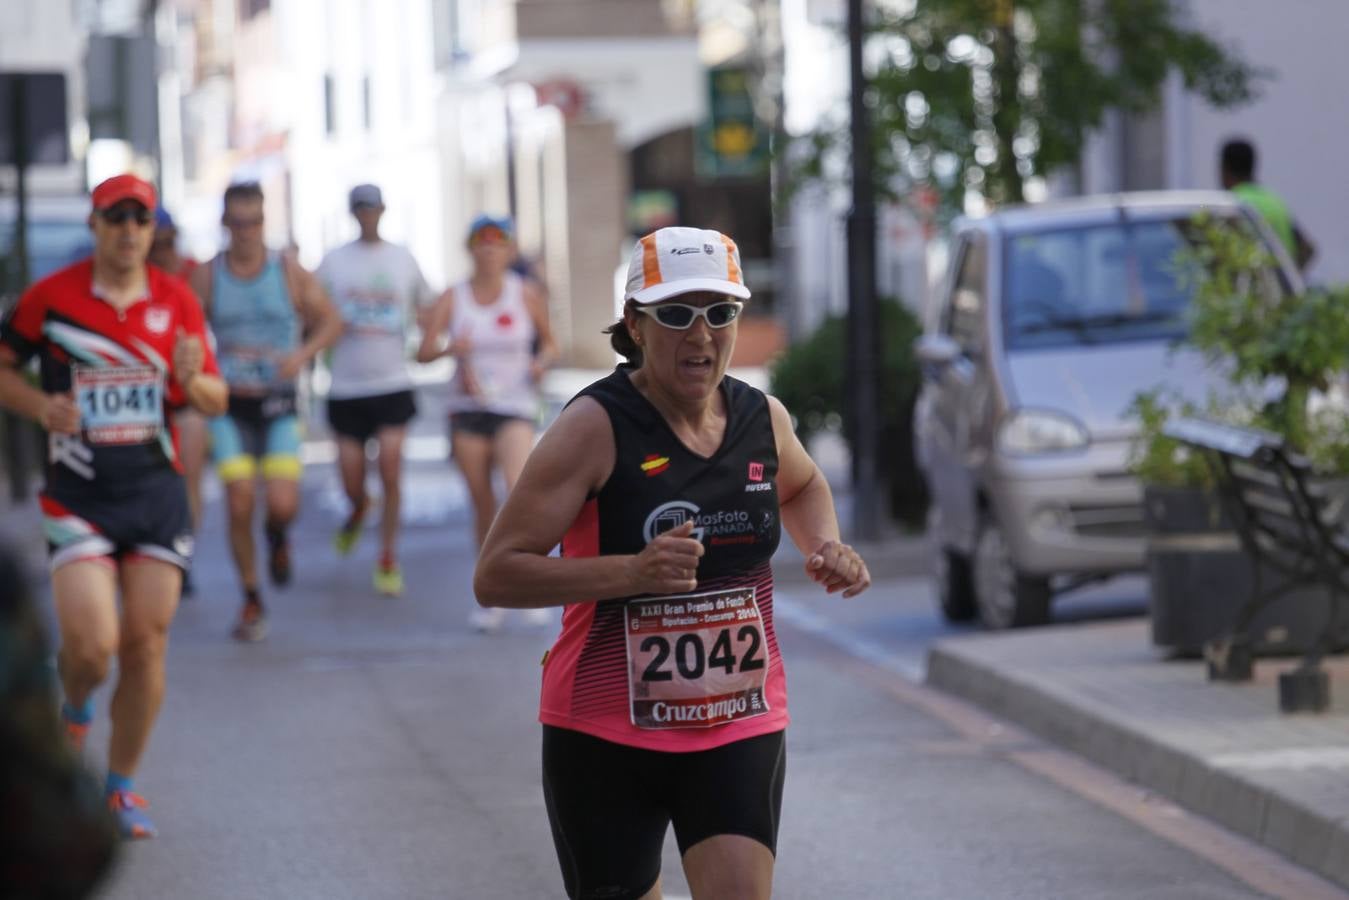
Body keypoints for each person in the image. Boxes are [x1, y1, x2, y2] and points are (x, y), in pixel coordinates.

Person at [473, 226, 871, 900]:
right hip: (604, 732)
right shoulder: (593, 427)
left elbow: (802, 485)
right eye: (677, 314)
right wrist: (629, 574)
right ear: (635, 323)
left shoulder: (760, 418)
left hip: (737, 720)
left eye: (720, 313)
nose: (702, 334)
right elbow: (497, 573)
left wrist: (824, 546)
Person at [0, 173, 229, 839]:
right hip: (78, 499)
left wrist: (191, 379)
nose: (130, 230)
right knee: (94, 645)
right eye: (116, 217)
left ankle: (119, 788)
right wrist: (43, 406)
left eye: (141, 218)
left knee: (147, 642)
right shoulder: (52, 298)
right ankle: (72, 708)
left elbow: (213, 399)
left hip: (155, 496)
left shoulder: (177, 301)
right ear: (96, 224)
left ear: (152, 229)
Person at [189, 181, 342, 641]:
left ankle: (277, 536)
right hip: (229, 404)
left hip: (278, 403)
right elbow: (185, 330)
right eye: (237, 222)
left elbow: (332, 320)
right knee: (239, 500)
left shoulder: (287, 270)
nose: (247, 231)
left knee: (281, 503)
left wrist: (302, 354)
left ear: (263, 222)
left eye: (254, 221)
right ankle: (252, 597)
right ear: (224, 224)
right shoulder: (208, 275)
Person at [417, 214, 557, 632]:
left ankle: (531, 588)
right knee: (483, 504)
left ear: (508, 251)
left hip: (514, 405)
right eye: (482, 243)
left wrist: (539, 364)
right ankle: (491, 593)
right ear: (471, 249)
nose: (490, 251)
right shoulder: (453, 297)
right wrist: (449, 350)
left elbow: (550, 343)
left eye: (498, 244)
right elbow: (422, 352)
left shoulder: (524, 293)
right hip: (467, 409)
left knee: (516, 491)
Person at [317, 184, 436, 596]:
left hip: (391, 383)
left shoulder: (402, 258)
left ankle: (387, 556)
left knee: (390, 468)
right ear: (353, 213)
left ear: (383, 210)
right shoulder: (333, 262)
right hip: (346, 387)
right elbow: (311, 310)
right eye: (360, 208)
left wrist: (430, 340)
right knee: (353, 483)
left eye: (373, 207)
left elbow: (429, 304)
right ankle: (356, 510)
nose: (367, 214)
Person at [148, 205, 208, 596]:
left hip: (186, 396)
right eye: (158, 244)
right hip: (146, 398)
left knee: (188, 479)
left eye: (169, 242)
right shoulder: (132, 277)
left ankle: (183, 554)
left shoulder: (192, 274)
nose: (164, 250)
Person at [1220, 138, 1316, 272]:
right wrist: (1290, 281)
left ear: (1224, 168)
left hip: (1251, 291)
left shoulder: (1231, 204)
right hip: (1279, 291)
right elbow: (1308, 248)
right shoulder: (1274, 201)